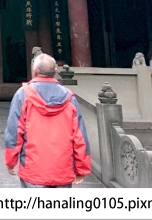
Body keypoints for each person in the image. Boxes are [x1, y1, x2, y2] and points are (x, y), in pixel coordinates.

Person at [5, 53, 91, 188]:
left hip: (33, 169)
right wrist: (82, 168)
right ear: (55, 72)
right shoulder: (69, 98)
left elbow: (14, 132)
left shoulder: (23, 95)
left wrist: (11, 160)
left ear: (35, 71)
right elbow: (80, 137)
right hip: (62, 169)